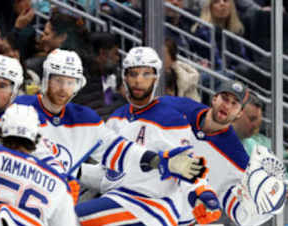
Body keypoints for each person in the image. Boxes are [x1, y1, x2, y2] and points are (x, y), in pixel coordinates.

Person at [13, 49, 207, 196]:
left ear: (78, 85)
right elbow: (25, 151)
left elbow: (118, 150)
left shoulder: (86, 119)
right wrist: (59, 176)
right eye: (58, 80)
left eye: (70, 81)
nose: (64, 88)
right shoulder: (22, 107)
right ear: (46, 79)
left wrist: (159, 161)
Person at [75, 47, 218, 226]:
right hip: (119, 202)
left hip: (152, 209)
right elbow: (107, 176)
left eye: (146, 74)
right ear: (124, 77)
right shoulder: (115, 120)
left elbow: (188, 166)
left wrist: (202, 193)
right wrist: (73, 170)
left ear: (156, 78)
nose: (138, 80)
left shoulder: (170, 119)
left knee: (71, 220)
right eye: (133, 74)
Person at [161, 80, 287, 226]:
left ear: (240, 113)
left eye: (234, 104)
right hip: (137, 199)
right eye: (225, 99)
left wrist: (269, 207)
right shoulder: (175, 107)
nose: (227, 105)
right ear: (214, 99)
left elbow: (242, 216)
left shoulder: (237, 158)